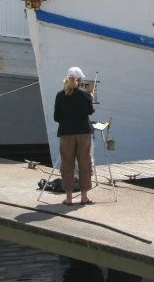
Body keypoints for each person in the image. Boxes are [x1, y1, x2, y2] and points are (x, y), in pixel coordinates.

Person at [53, 66, 95, 205]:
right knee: (84, 162)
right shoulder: (85, 95)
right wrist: (91, 98)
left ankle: (69, 198)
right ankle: (84, 197)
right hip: (83, 132)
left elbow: (56, 117)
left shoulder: (60, 95)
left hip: (66, 133)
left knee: (67, 163)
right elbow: (90, 111)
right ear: (80, 79)